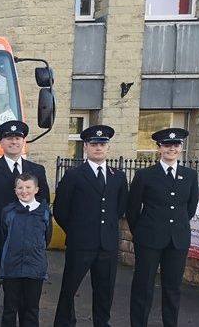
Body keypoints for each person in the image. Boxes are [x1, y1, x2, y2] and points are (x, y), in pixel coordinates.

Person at [0, 120, 50, 326]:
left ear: (23, 141)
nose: (14, 141)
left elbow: (44, 202)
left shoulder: (37, 170)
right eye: (9, 138)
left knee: (23, 291)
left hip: (27, 242)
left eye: (18, 138)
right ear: (2, 143)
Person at [53, 125, 128, 327]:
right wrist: (77, 231)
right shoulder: (74, 175)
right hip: (81, 243)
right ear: (85, 147)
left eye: (102, 144)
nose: (98, 148)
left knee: (105, 289)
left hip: (107, 244)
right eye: (94, 144)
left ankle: (102, 323)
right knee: (69, 288)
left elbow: (119, 208)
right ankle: (64, 323)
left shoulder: (118, 176)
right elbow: (60, 210)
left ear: (108, 148)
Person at [127, 128, 199, 327]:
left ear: (181, 148)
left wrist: (177, 227)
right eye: (167, 145)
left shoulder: (190, 175)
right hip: (149, 239)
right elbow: (133, 210)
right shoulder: (145, 175)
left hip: (177, 240)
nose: (172, 149)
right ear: (159, 148)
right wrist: (142, 231)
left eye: (176, 145)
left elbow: (190, 208)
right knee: (143, 287)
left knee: (173, 288)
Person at [0, 173, 52, 327]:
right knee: (10, 309)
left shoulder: (44, 212)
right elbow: (4, 235)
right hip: (11, 268)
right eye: (20, 187)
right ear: (15, 191)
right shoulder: (8, 212)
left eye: (28, 187)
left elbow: (46, 237)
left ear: (36, 189)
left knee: (31, 309)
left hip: (35, 269)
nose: (24, 191)